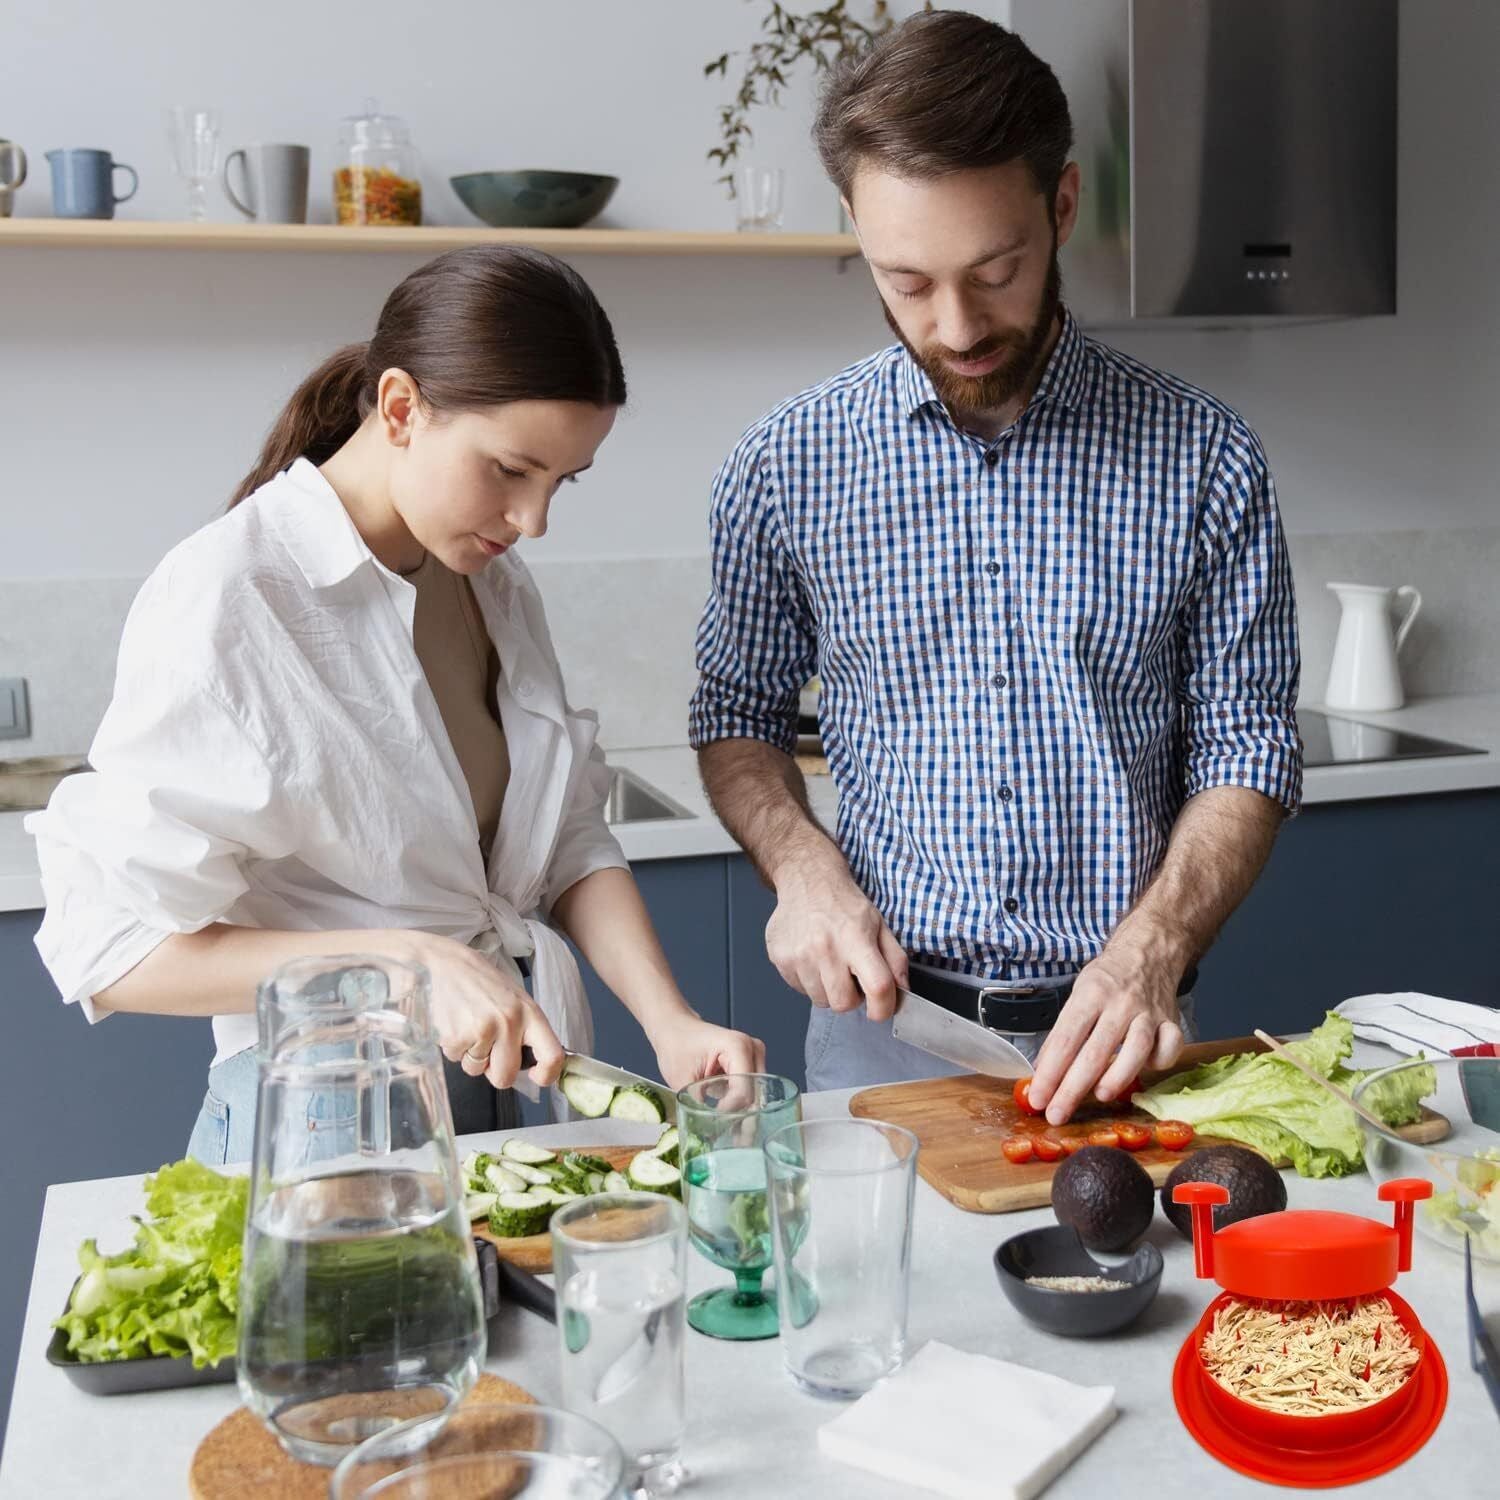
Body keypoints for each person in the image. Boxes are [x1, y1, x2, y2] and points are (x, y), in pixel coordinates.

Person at [689, 11, 1301, 1123]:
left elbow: (1248, 740)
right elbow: (738, 714)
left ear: (1061, 206)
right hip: (882, 1037)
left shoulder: (1207, 456)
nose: (957, 322)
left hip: (1127, 1031)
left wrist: (1153, 951)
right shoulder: (787, 466)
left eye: (996, 269)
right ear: (856, 227)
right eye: (907, 281)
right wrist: (804, 873)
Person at [29, 244, 764, 1164]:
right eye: (510, 470)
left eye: (560, 483)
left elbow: (566, 839)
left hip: (487, 1101)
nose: (534, 521)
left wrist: (671, 1024)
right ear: (403, 408)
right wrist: (407, 960)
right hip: (320, 1131)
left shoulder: (489, 581)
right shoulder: (235, 595)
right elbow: (117, 949)